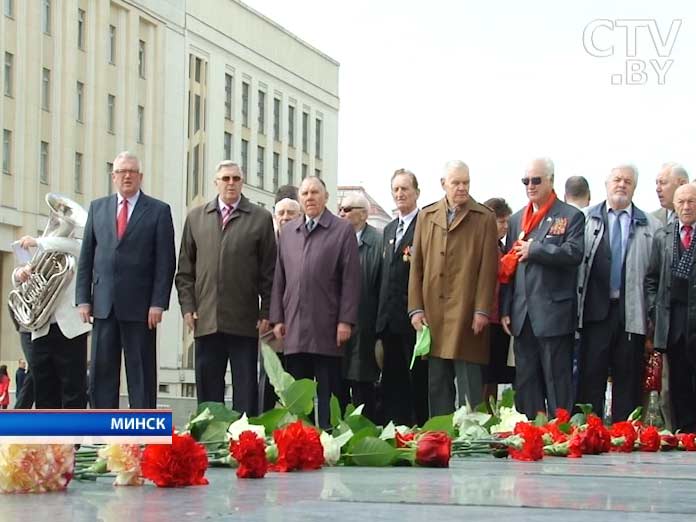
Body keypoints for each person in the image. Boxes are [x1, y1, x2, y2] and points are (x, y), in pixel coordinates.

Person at [76, 151, 176, 409]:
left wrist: (158, 303)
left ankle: (141, 433)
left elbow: (166, 262)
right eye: (121, 171)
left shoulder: (158, 211)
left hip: (141, 309)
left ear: (140, 177)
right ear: (113, 176)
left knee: (140, 373)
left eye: (132, 171)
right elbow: (86, 256)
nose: (127, 176)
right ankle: (102, 435)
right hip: (103, 305)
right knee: (102, 372)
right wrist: (83, 300)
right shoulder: (98, 208)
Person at [176, 161, 276, 415]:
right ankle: (208, 446)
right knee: (208, 396)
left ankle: (244, 446)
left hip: (244, 322)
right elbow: (185, 271)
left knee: (245, 392)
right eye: (225, 178)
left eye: (235, 178)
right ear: (216, 182)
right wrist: (188, 308)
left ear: (242, 182)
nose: (230, 183)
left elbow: (269, 273)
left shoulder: (260, 218)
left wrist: (266, 313)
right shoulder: (196, 217)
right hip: (206, 321)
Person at [409, 160, 499, 415]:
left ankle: (471, 438)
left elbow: (488, 270)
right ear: (443, 184)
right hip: (434, 312)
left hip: (467, 312)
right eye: (456, 183)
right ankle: (441, 438)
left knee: (470, 384)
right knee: (438, 384)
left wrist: (482, 310)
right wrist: (415, 309)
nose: (462, 188)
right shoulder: (427, 216)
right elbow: (417, 266)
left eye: (466, 182)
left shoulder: (484, 217)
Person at [271, 176, 360, 429]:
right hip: (295, 326)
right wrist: (278, 317)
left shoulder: (342, 230)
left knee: (327, 391)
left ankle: (329, 438)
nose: (310, 197)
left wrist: (346, 320)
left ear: (326, 197)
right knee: (299, 393)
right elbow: (280, 277)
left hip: (327, 326)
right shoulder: (288, 232)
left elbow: (351, 280)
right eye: (305, 193)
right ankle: (302, 440)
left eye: (315, 192)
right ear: (300, 198)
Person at [500, 157, 584, 418]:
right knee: (527, 381)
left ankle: (560, 433)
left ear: (551, 180)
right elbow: (508, 268)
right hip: (522, 314)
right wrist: (505, 308)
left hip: (553, 314)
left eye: (536, 180)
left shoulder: (570, 215)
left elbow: (573, 253)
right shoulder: (516, 220)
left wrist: (535, 249)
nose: (530, 186)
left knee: (557, 380)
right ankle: (532, 434)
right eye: (526, 181)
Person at [576, 165, 661, 421]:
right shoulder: (585, 218)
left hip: (630, 314)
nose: (621, 185)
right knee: (591, 378)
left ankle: (624, 435)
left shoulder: (651, 225)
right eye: (617, 180)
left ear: (634, 187)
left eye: (627, 181)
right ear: (606, 183)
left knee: (628, 379)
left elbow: (654, 276)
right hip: (594, 312)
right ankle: (590, 431)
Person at [12, 227, 92, 409]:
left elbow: (77, 245)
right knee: (44, 391)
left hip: (70, 330)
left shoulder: (76, 248)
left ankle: (72, 436)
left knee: (73, 390)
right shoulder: (42, 253)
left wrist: (39, 241)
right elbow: (19, 278)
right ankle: (48, 436)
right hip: (41, 328)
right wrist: (19, 275)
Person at [377, 169, 428, 426]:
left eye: (405, 188)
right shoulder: (388, 230)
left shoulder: (425, 225)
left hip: (413, 318)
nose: (400, 194)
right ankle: (396, 428)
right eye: (396, 189)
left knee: (417, 379)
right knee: (392, 379)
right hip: (389, 320)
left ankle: (419, 427)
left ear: (417, 193)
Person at [645, 183, 696, 433]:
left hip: (694, 316)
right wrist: (655, 310)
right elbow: (651, 279)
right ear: (674, 205)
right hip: (673, 321)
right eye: (681, 202)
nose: (686, 207)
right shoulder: (663, 236)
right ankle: (685, 433)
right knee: (677, 382)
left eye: (691, 201)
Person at [338, 193, 382, 420]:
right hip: (337, 326)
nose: (342, 213)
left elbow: (381, 287)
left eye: (347, 209)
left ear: (363, 214)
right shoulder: (335, 239)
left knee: (363, 384)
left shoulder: (378, 242)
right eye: (340, 209)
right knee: (339, 385)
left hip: (366, 324)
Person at [258, 196, 301, 412]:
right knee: (268, 378)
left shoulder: (304, 241)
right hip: (269, 322)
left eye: (290, 213)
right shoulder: (267, 242)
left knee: (293, 380)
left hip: (297, 324)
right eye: (281, 213)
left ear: (299, 216)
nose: (285, 217)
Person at [482, 197, 515, 403]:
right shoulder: (484, 247)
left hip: (498, 317)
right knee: (486, 376)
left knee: (494, 375)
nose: (505, 226)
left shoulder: (500, 246)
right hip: (487, 318)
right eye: (501, 222)